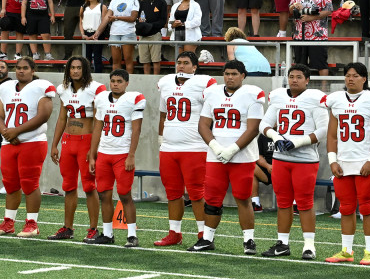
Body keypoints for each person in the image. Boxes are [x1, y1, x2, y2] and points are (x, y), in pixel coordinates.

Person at [190, 60, 265, 253]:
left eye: (234, 74)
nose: (229, 77)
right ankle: (207, 238)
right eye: (226, 73)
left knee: (243, 198)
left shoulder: (252, 94)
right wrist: (215, 146)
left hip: (242, 156)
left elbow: (253, 128)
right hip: (216, 156)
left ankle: (249, 240)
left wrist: (232, 149)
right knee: (212, 198)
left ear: (243, 75)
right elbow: (203, 125)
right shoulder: (213, 93)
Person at [323, 61, 370, 265]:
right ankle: (346, 250)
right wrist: (332, 161)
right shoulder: (336, 100)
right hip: (343, 163)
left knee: (367, 208)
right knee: (346, 208)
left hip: (365, 163)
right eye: (347, 75)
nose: (350, 79)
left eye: (355, 75)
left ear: (364, 78)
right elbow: (332, 136)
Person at [259, 64, 327, 259]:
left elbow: (323, 130)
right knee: (283, 202)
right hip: (281, 159)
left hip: (305, 159)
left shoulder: (315, 98)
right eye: (291, 76)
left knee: (304, 203)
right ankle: (282, 243)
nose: (294, 80)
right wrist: (277, 137)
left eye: (299, 76)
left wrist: (298, 142)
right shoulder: (279, 96)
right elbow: (264, 124)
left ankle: (309, 246)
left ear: (307, 80)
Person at [0, 57, 55, 238]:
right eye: (18, 68)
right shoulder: (6, 88)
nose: (21, 71)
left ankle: (32, 224)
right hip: (9, 142)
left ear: (33, 70)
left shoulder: (41, 87)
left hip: (33, 141)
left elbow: (43, 115)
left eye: (25, 68)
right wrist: (6, 133)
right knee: (10, 184)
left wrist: (16, 131)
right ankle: (8, 222)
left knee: (29, 183)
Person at [154, 52, 216, 246]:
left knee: (197, 193)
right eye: (179, 62)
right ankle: (175, 233)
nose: (181, 66)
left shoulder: (204, 84)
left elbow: (211, 116)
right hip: (169, 148)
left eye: (186, 63)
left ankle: (203, 235)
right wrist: (161, 140)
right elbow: (163, 116)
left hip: (194, 147)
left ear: (195, 67)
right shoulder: (165, 83)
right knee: (172, 193)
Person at [49, 56, 106, 241]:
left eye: (78, 68)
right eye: (72, 67)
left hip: (86, 141)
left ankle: (93, 228)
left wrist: (94, 147)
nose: (75, 71)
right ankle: (68, 227)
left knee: (89, 186)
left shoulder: (96, 89)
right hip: (68, 141)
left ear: (85, 69)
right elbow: (61, 118)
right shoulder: (63, 89)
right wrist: (54, 144)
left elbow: (99, 121)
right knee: (68, 186)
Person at [87, 69, 145, 246]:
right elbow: (97, 127)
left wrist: (131, 155)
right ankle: (107, 233)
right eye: (113, 81)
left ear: (127, 83)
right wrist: (92, 154)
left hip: (122, 154)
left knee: (124, 194)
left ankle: (132, 235)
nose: (115, 84)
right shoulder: (101, 98)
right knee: (104, 194)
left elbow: (136, 129)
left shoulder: (133, 99)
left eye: (119, 81)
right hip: (104, 153)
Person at [289, 0, 332, 74]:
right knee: (299, 66)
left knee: (321, 64)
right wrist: (294, 6)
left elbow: (328, 10)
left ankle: (323, 89)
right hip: (299, 34)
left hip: (318, 34)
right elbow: (289, 10)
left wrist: (311, 17)